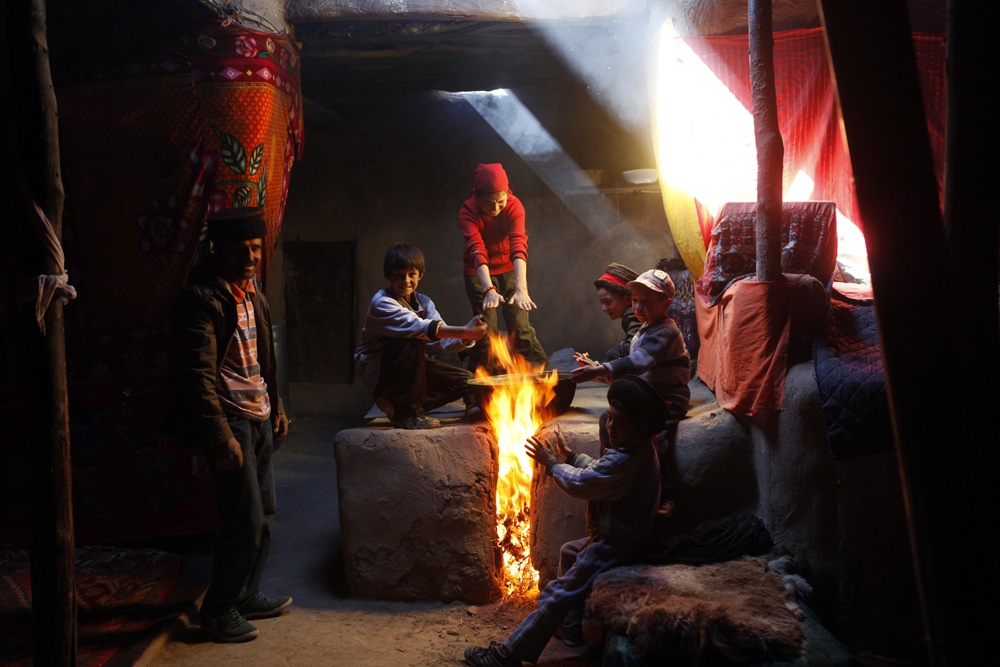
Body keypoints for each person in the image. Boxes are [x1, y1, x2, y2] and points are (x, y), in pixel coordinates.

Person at [463, 376, 668, 667]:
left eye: (620, 423)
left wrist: (552, 464)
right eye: (610, 418)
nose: (611, 427)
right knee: (569, 553)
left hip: (615, 544)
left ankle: (507, 655)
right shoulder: (633, 449)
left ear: (643, 428)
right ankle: (569, 630)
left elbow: (585, 483)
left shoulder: (628, 460)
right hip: (623, 537)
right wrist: (570, 456)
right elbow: (597, 468)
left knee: (557, 593)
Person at [167, 206, 291, 643]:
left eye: (256, 248)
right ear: (218, 251)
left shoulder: (251, 290)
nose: (252, 256)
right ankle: (218, 610)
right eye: (241, 249)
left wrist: (276, 406)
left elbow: (261, 358)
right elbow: (197, 378)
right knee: (244, 520)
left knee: (266, 514)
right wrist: (219, 435)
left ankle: (244, 593)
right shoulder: (201, 299)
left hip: (257, 415)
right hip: (231, 420)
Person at [355, 243, 488, 429]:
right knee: (411, 340)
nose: (406, 281)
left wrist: (467, 337)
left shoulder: (423, 303)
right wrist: (465, 330)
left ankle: (399, 404)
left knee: (466, 380)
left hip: (412, 367)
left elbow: (443, 338)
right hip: (382, 371)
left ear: (421, 274)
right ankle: (406, 414)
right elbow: (420, 327)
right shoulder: (382, 302)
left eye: (412, 275)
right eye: (398, 276)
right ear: (388, 276)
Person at [459, 162, 548, 373]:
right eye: (489, 203)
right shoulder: (467, 211)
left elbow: (518, 244)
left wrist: (521, 289)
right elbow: (476, 250)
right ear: (477, 196)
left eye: (501, 201)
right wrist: (488, 288)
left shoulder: (515, 206)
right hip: (478, 272)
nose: (496, 208)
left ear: (507, 193)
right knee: (485, 332)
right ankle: (479, 393)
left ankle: (540, 382)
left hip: (509, 268)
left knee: (521, 328)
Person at [571, 269, 691, 421]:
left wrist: (599, 369)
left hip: (667, 401)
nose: (638, 307)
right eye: (635, 300)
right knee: (609, 417)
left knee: (615, 417)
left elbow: (638, 363)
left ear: (666, 304)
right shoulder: (647, 327)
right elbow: (635, 373)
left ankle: (649, 442)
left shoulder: (666, 332)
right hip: (650, 394)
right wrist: (594, 371)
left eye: (645, 301)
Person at [577, 262, 641, 364]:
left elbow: (632, 350)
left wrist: (603, 369)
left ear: (628, 299)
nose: (604, 308)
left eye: (608, 302)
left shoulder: (633, 314)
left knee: (614, 354)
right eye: (601, 303)